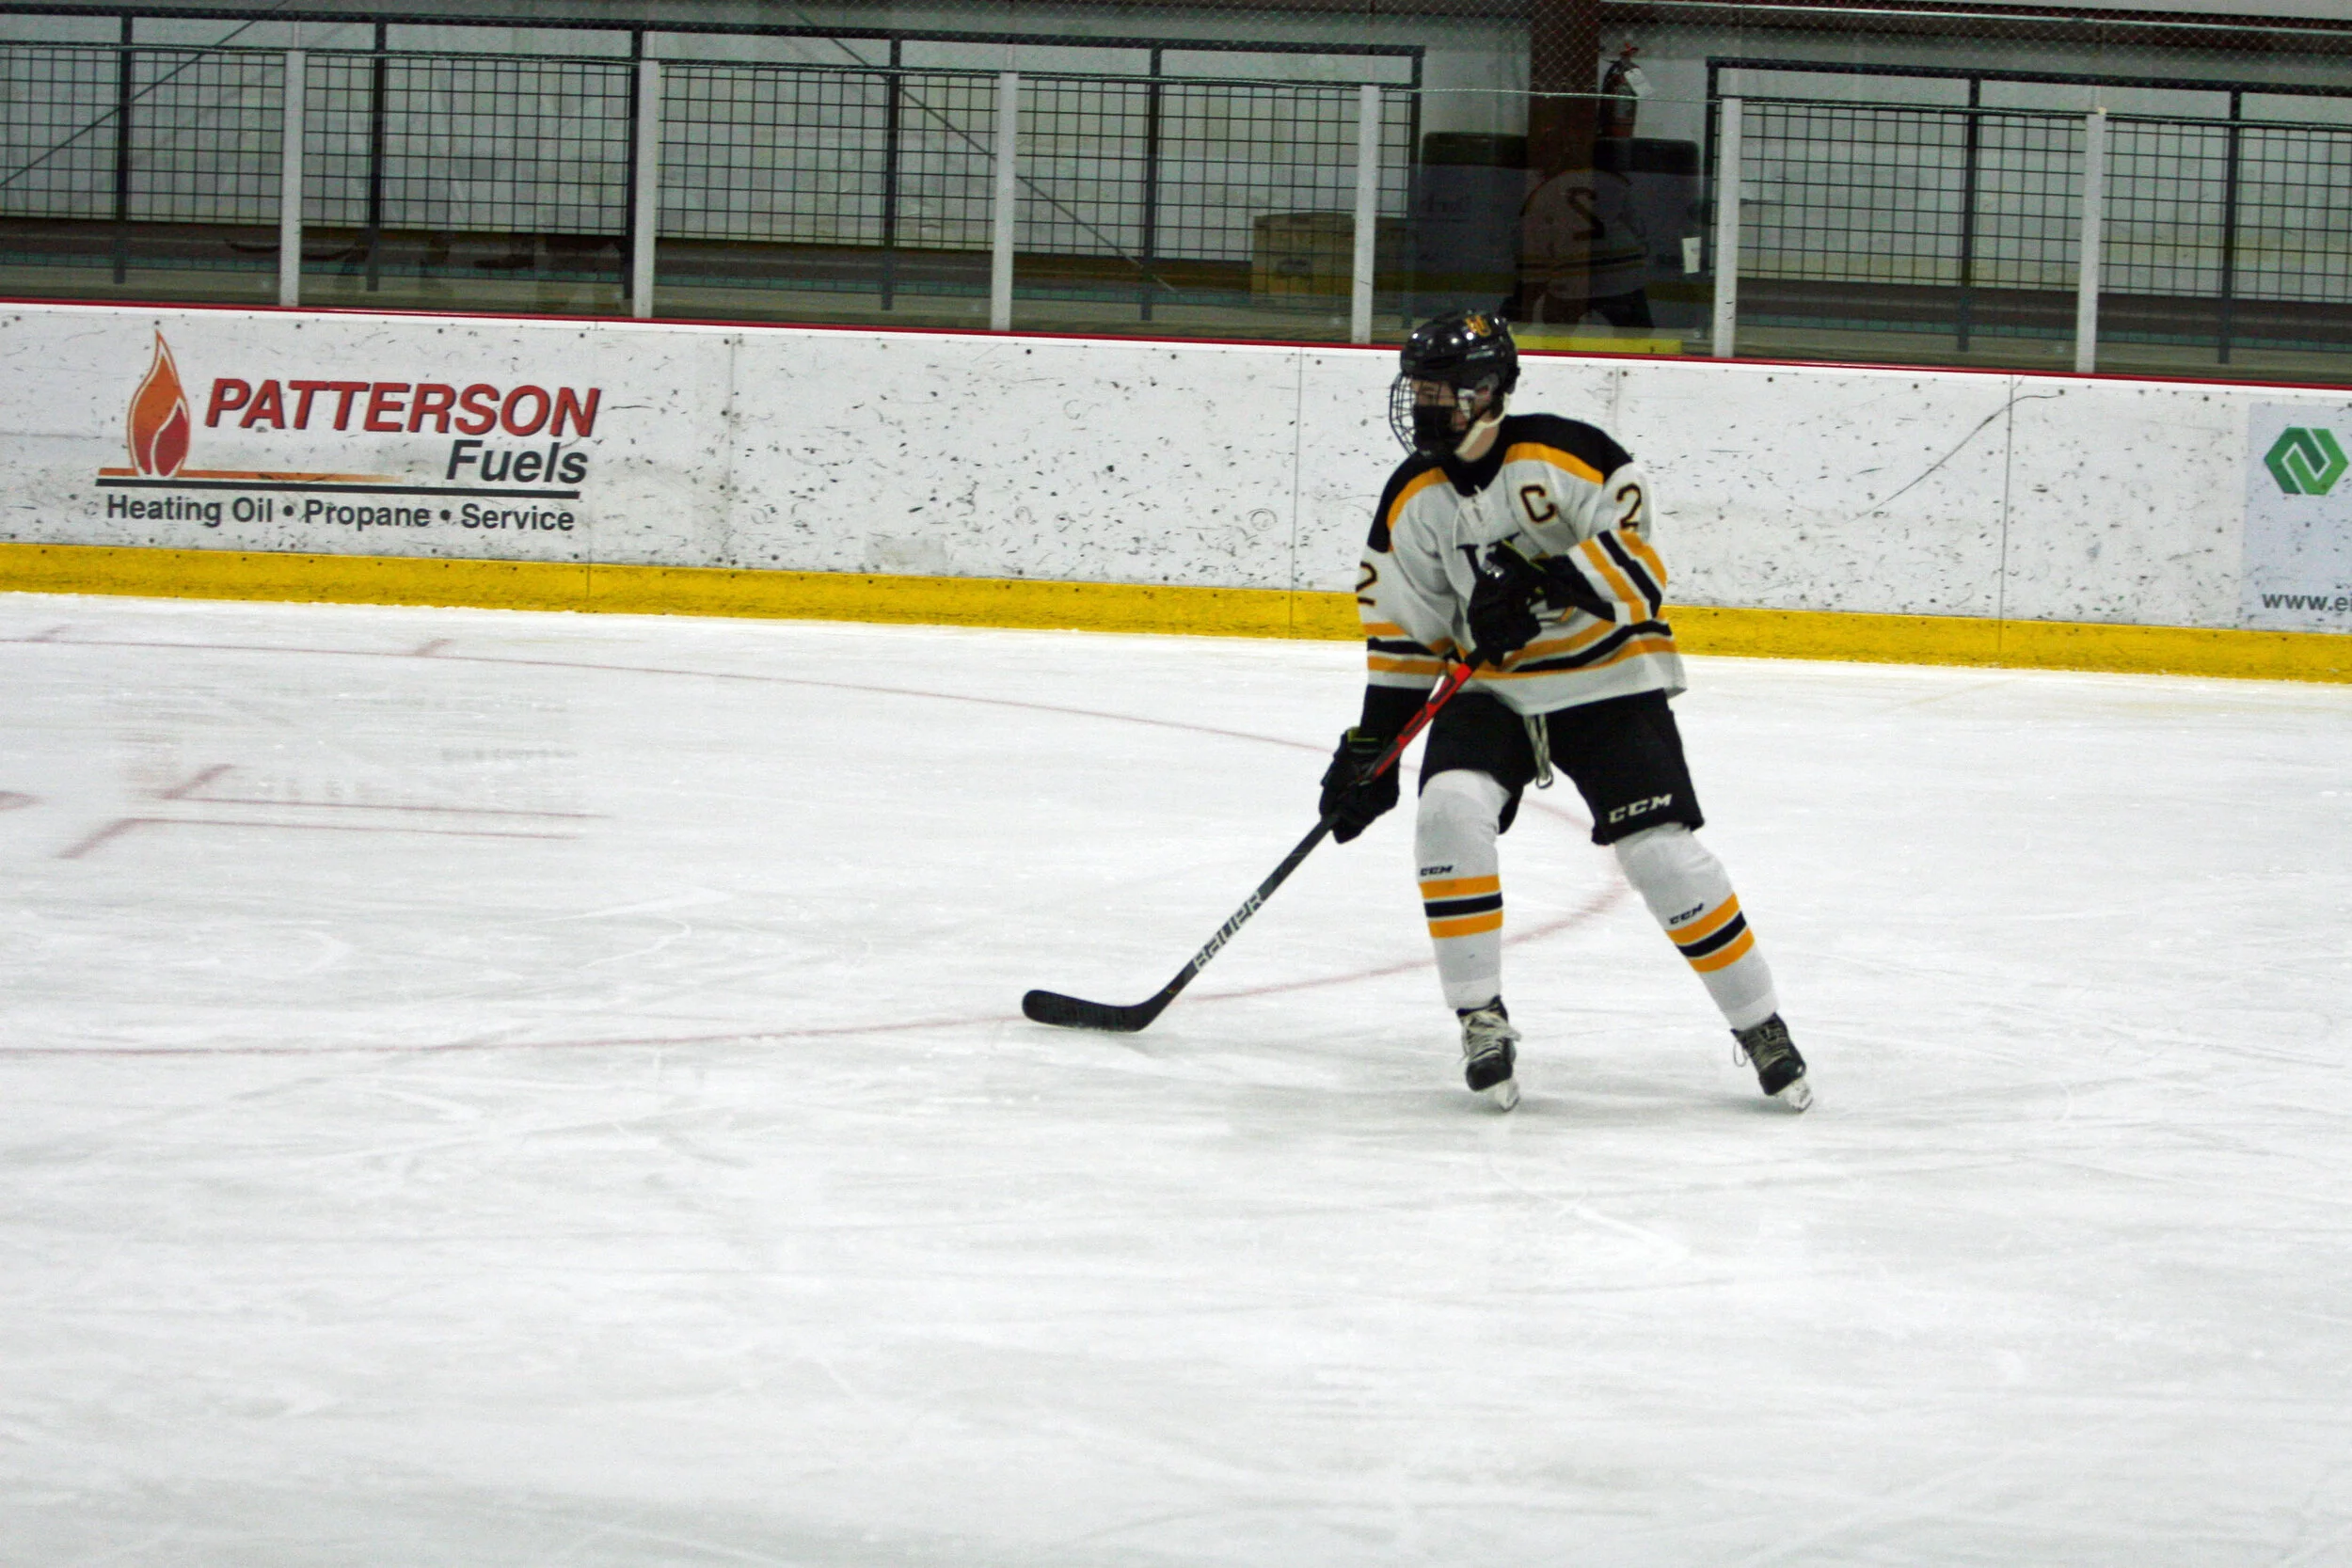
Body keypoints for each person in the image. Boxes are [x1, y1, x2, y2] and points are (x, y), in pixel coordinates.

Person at [1318, 309, 1810, 1114]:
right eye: (1420, 388)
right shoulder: (1413, 497)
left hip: (1605, 679)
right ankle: (1480, 1017)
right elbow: (1406, 631)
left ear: (1489, 391)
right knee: (1448, 809)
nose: (1426, 404)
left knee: (1662, 855)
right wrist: (1372, 745)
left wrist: (1544, 581)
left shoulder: (1566, 453)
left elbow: (1639, 560)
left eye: (1443, 389)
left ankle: (1760, 1023)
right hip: (1494, 689)